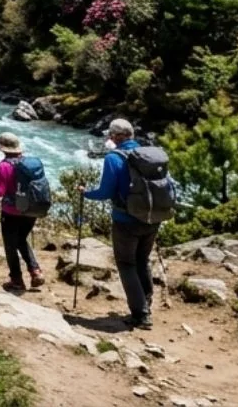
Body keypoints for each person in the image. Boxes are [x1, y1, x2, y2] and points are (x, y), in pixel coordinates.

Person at [81, 118, 170, 329]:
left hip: (125, 220)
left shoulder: (114, 158)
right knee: (142, 260)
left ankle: (140, 315)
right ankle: (146, 302)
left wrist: (86, 193)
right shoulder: (150, 156)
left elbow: (105, 192)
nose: (109, 139)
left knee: (126, 263)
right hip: (152, 218)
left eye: (110, 135)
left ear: (116, 136)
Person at [0, 132, 44, 293]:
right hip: (31, 210)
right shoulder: (32, 163)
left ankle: (17, 280)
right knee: (21, 239)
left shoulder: (3, 166)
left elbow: (0, 191)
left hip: (11, 212)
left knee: (10, 246)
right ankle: (35, 271)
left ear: (2, 148)